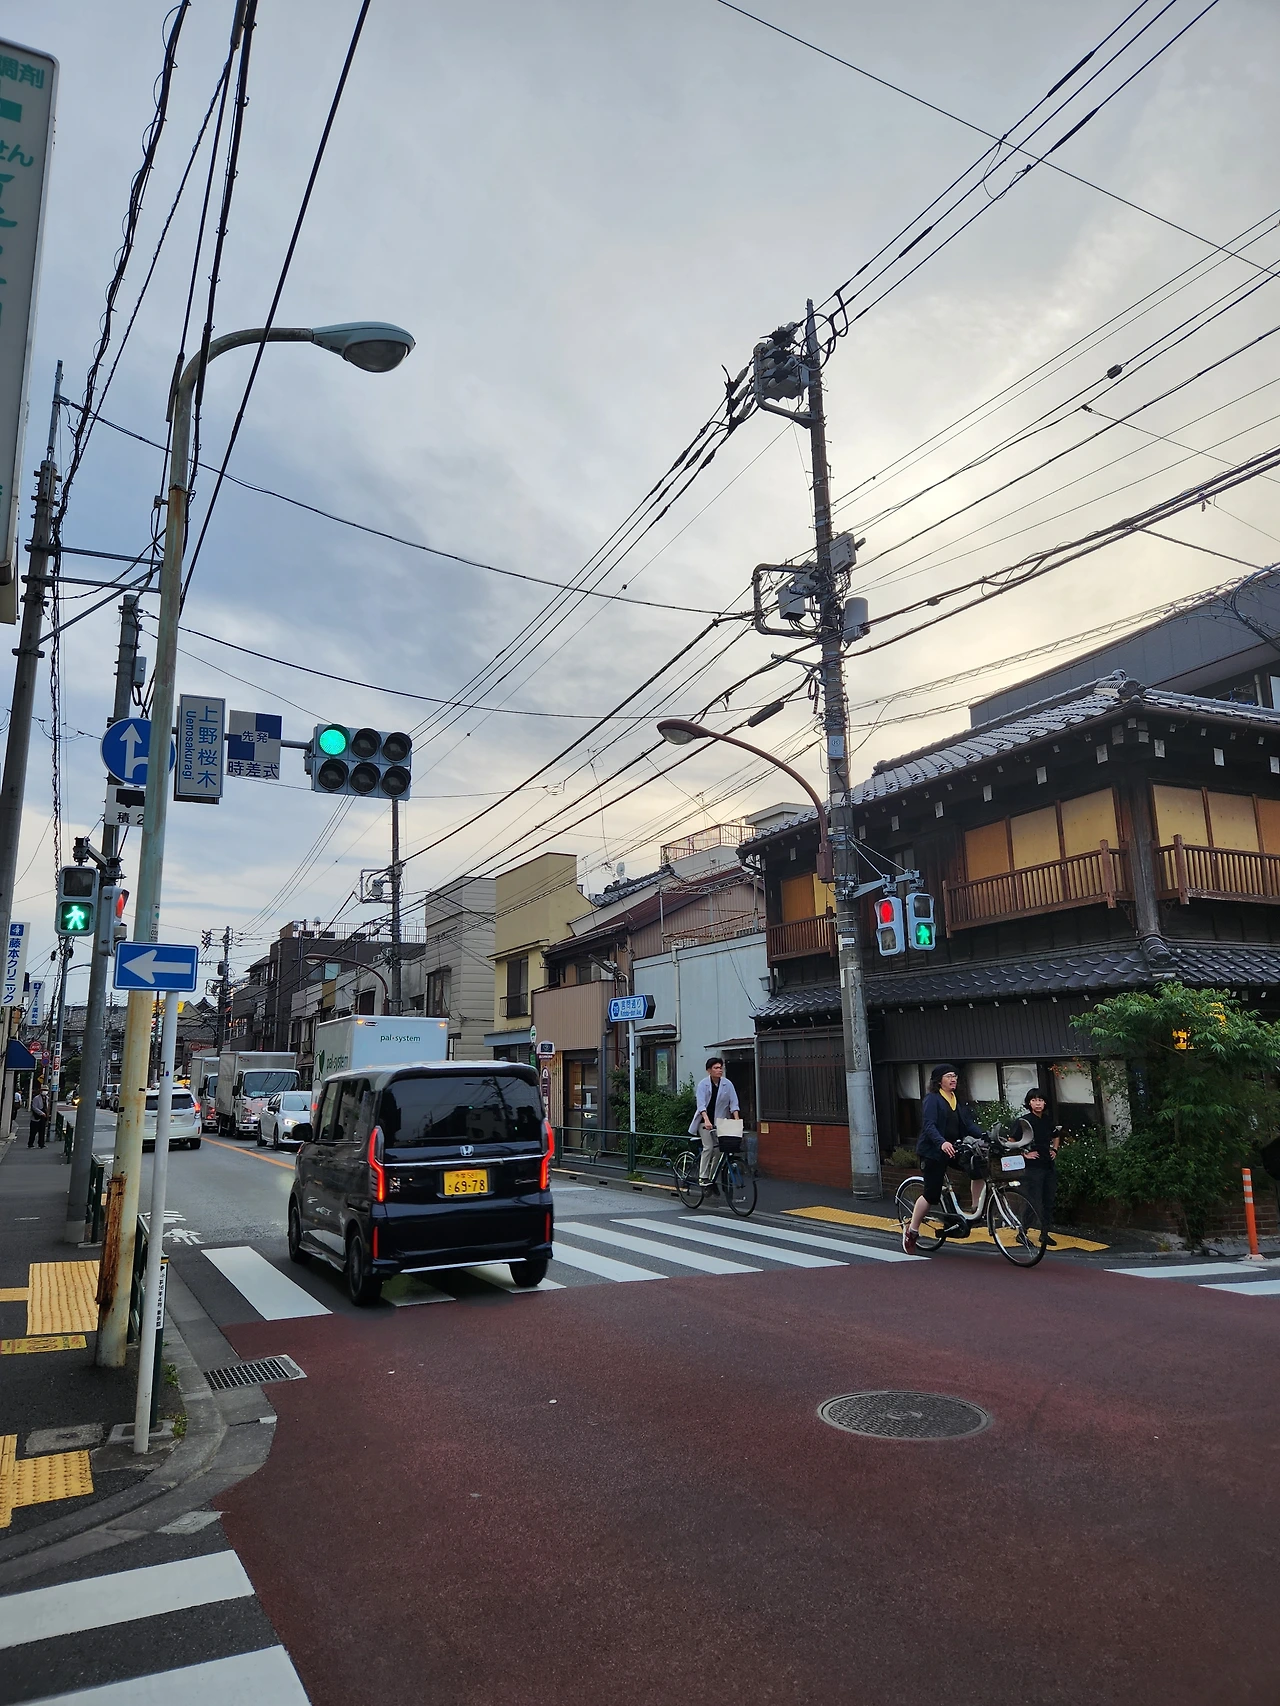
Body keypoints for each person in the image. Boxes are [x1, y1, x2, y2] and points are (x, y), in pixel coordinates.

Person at [903, 1063, 985, 1254]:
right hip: (933, 1151)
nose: (953, 1079)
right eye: (948, 1076)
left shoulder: (957, 1099)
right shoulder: (932, 1099)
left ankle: (975, 1210)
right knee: (931, 1194)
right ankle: (912, 1231)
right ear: (939, 1081)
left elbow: (968, 1125)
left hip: (953, 1148)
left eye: (954, 1076)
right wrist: (941, 1143)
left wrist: (985, 1136)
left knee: (978, 1166)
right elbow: (929, 1125)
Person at [1013, 1088, 1061, 1248]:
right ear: (1029, 1103)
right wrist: (1024, 1153)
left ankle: (1045, 1233)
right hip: (1032, 1167)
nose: (1038, 1103)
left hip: (1048, 1164)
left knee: (1049, 1200)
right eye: (1034, 1100)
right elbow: (1012, 1140)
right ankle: (1022, 1232)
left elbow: (1056, 1135)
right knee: (1032, 1200)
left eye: (1040, 1100)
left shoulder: (1047, 1120)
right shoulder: (1023, 1121)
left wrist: (1054, 1149)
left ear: (1045, 1102)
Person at [688, 1057, 741, 1187]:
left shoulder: (727, 1084)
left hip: (719, 1122)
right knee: (709, 1147)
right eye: (716, 1068)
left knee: (720, 1150)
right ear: (709, 1070)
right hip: (704, 1122)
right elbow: (701, 1105)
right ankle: (703, 1177)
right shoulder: (703, 1084)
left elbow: (734, 1103)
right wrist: (706, 1120)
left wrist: (737, 1120)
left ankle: (712, 1178)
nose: (719, 1070)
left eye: (720, 1068)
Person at [27, 1084, 49, 1150]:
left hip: (43, 1118)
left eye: (46, 1090)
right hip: (36, 1117)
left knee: (42, 1131)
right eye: (44, 1090)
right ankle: (30, 1144)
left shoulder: (47, 1098)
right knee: (33, 1132)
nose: (45, 1091)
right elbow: (34, 1107)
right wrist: (41, 1113)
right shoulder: (36, 1098)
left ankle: (41, 1144)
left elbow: (47, 1107)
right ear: (40, 1090)